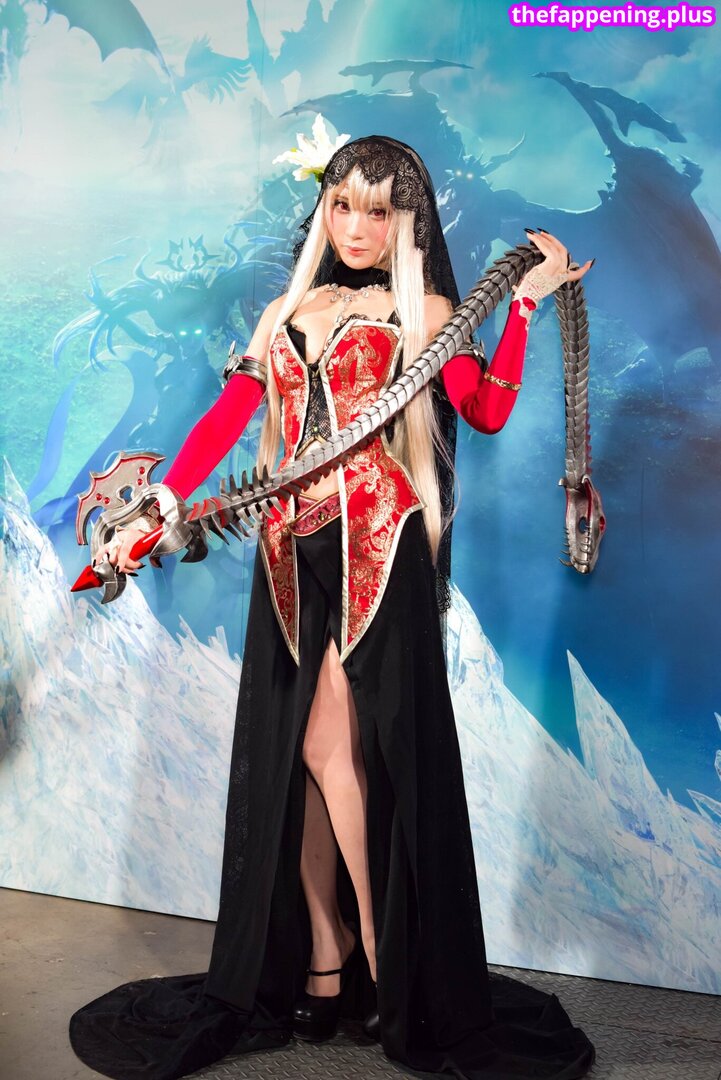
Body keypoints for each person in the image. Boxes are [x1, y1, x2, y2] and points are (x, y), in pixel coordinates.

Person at [69, 136, 595, 1080]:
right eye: (342, 206)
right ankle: (323, 951)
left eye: (378, 211)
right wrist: (160, 505)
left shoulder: (425, 311)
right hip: (286, 553)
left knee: (329, 750)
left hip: (377, 550)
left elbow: (483, 413)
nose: (356, 227)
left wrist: (520, 305)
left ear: (406, 222)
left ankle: (383, 957)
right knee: (299, 763)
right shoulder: (285, 312)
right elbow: (225, 423)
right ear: (324, 211)